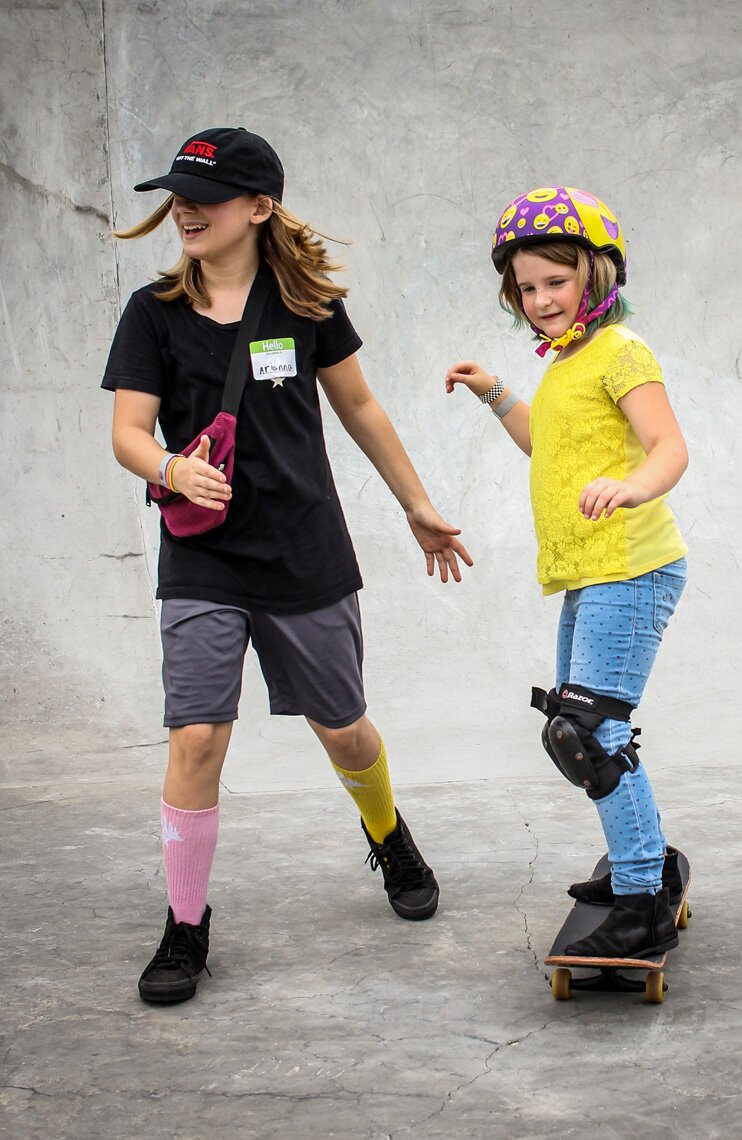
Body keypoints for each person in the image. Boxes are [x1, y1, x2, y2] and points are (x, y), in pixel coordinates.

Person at [102, 127, 472, 1004]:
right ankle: (185, 925)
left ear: (260, 207)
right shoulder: (153, 311)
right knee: (196, 735)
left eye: (209, 195)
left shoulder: (306, 307)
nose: (185, 210)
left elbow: (362, 409)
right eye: (178, 194)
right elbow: (126, 431)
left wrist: (416, 504)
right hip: (203, 558)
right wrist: (167, 467)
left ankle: (387, 832)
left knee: (343, 727)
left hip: (305, 548)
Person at [445, 187, 688, 960]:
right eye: (527, 287)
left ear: (595, 274)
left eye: (556, 280)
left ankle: (643, 894)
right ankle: (642, 864)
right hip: (590, 573)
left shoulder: (621, 351)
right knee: (581, 733)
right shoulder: (566, 364)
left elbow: (669, 448)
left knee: (587, 734)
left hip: (630, 564)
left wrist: (632, 485)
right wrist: (494, 392)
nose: (542, 299)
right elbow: (543, 444)